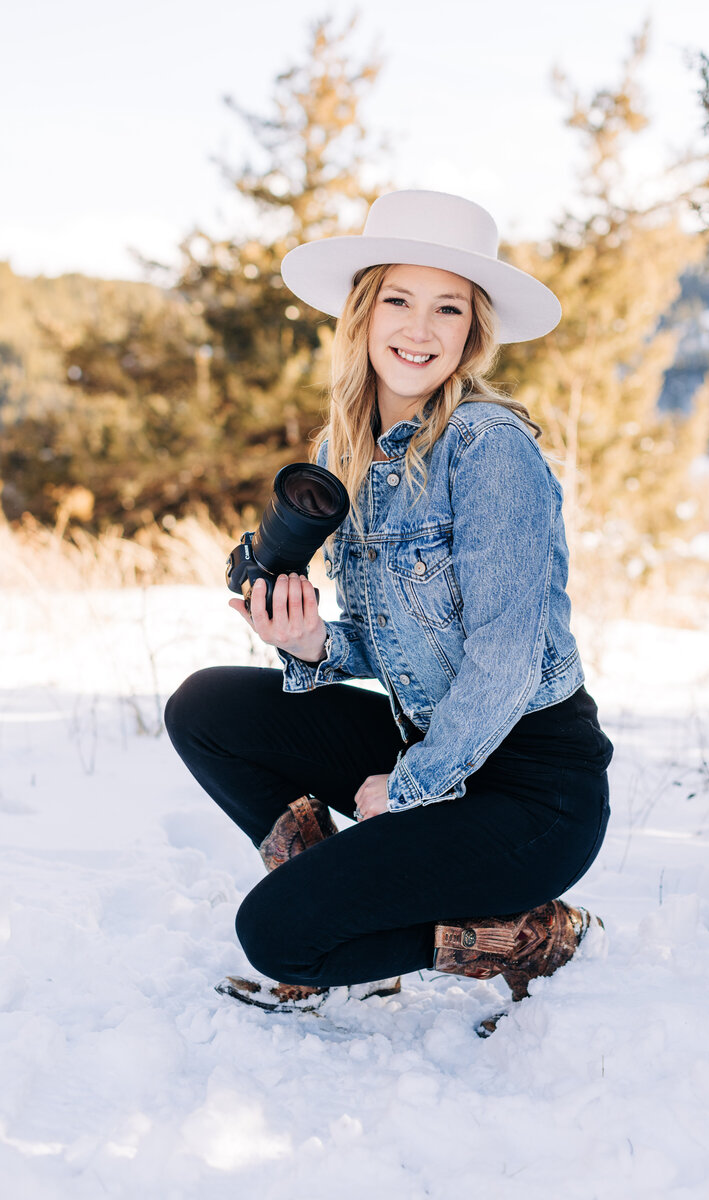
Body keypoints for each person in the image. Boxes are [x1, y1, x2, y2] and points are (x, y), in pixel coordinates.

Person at [165, 190, 613, 1018]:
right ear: (363, 313)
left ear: (472, 333)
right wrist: (306, 645)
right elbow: (392, 641)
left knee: (278, 936)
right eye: (399, 300)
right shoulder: (346, 450)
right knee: (206, 706)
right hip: (432, 743)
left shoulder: (488, 449)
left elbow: (505, 658)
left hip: (530, 791)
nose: (420, 329)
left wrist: (408, 788)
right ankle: (349, 928)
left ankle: (532, 932)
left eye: (448, 308)